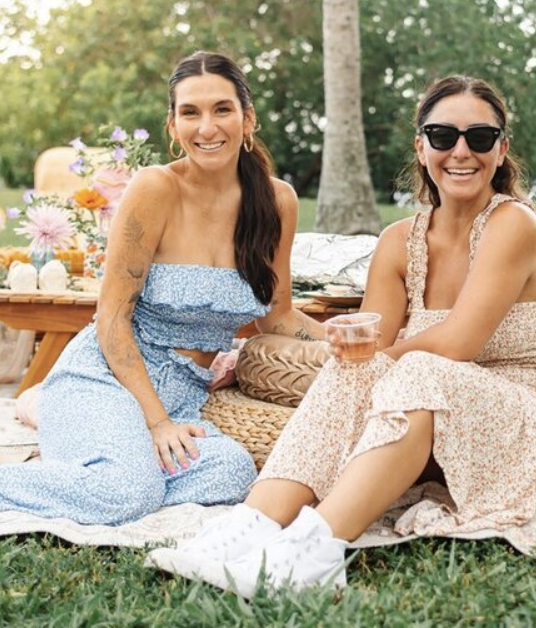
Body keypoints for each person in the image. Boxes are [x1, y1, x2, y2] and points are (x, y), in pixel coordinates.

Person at [147, 75, 536, 597]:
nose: (461, 152)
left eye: (479, 138)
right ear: (421, 147)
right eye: (443, 136)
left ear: (501, 151)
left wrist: (375, 361)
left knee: (414, 367)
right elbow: (372, 349)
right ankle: (250, 525)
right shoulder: (398, 242)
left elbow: (457, 343)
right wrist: (349, 351)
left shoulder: (514, 225)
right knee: (358, 368)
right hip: (443, 421)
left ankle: (314, 553)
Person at [0, 51, 323, 526]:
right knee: (129, 494)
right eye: (190, 112)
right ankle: (104, 469)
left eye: (222, 109)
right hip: (105, 379)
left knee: (232, 472)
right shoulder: (155, 188)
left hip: (184, 395)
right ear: (173, 126)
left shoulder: (278, 201)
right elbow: (112, 321)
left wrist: (344, 341)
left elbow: (277, 316)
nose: (207, 127)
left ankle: (100, 472)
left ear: (248, 118)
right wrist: (156, 422)